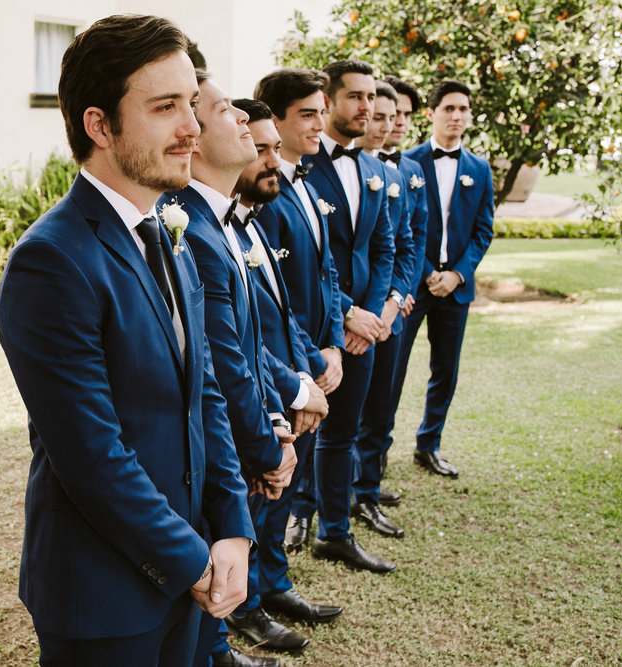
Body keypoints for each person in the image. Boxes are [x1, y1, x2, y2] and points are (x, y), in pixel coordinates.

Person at [0, 15, 255, 665]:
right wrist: (195, 559)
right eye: (165, 107)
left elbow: (206, 398)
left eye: (190, 105)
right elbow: (91, 454)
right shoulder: (52, 261)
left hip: (193, 575)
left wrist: (233, 529)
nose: (191, 128)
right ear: (99, 125)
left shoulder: (171, 234)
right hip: (105, 595)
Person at [162, 65, 304, 666]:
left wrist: (275, 419)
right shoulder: (187, 228)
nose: (244, 117)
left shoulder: (219, 223)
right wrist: (269, 445)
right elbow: (219, 365)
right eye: (227, 110)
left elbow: (249, 341)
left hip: (243, 430)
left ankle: (216, 648)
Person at [231, 95, 344, 624]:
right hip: (261, 385)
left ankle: (273, 583)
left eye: (275, 148)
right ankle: (246, 604)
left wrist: (313, 363)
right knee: (255, 499)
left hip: (290, 372)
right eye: (260, 150)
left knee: (280, 497)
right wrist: (292, 385)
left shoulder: (254, 221)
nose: (274, 162)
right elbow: (238, 331)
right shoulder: (226, 229)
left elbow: (284, 306)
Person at [302, 59, 396, 573]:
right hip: (319, 323)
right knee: (302, 427)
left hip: (364, 332)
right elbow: (296, 258)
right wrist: (344, 316)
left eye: (371, 96)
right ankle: (291, 521)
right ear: (331, 100)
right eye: (356, 97)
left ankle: (333, 532)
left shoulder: (377, 170)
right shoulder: (300, 168)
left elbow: (382, 249)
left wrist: (372, 318)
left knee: (344, 432)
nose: (366, 107)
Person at [252, 68, 344, 555]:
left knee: (291, 477)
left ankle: (274, 579)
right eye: (307, 114)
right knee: (270, 481)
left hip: (313, 357)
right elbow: (266, 298)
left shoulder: (306, 183)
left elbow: (327, 270)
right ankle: (257, 592)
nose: (318, 125)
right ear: (275, 118)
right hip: (280, 363)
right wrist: (295, 370)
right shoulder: (262, 194)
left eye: (321, 113)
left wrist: (331, 344)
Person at [395, 79, 495, 478]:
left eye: (463, 109)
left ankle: (428, 445)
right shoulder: (407, 162)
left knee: (446, 370)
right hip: (413, 287)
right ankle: (375, 450)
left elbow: (483, 230)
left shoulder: (480, 168)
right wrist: (426, 274)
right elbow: (401, 227)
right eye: (449, 108)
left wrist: (456, 274)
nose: (457, 116)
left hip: (455, 289)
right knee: (392, 371)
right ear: (431, 113)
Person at [350, 81, 419, 539]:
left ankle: (367, 494)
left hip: (384, 315)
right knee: (334, 421)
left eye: (391, 117)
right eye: (377, 114)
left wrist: (391, 304)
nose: (385, 124)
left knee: (380, 410)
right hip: (341, 313)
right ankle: (309, 507)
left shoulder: (396, 175)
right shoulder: (319, 169)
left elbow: (404, 245)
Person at [368, 75, 430, 503]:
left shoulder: (410, 171)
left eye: (404, 116)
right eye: (388, 116)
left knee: (384, 398)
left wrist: (401, 293)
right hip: (363, 303)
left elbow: (412, 237)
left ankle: (366, 483)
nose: (396, 124)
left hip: (398, 304)